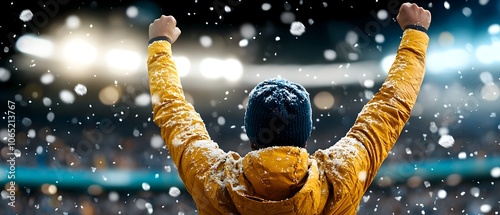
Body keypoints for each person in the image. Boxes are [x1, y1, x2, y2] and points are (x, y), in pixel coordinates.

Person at [147, 2, 431, 215]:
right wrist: (415, 34)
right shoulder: (341, 176)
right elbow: (390, 108)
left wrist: (160, 44)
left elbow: (173, 112)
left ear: (249, 131)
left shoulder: (215, 181)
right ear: (306, 131)